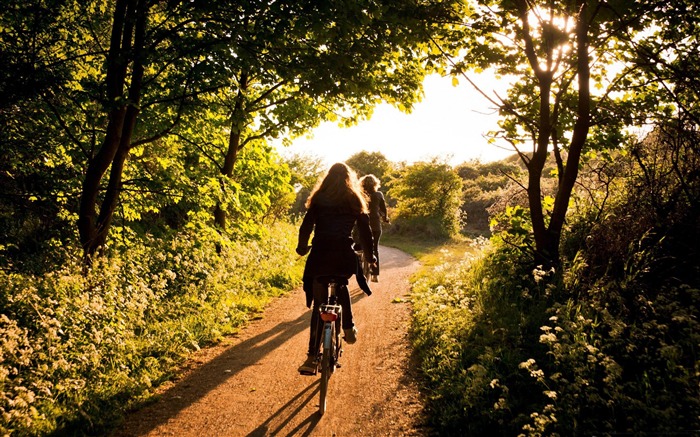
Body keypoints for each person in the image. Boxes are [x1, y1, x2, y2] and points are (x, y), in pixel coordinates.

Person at [295, 162, 376, 375]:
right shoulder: (354, 199)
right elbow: (365, 232)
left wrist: (302, 248)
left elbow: (306, 226)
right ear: (349, 179)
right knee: (341, 282)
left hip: (320, 254)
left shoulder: (319, 199)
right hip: (343, 254)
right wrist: (370, 256)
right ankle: (348, 327)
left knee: (319, 304)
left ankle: (312, 357)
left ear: (328, 178)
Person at [359, 174, 389, 282]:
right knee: (374, 248)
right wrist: (385, 218)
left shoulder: (359, 195)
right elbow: (384, 209)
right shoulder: (378, 195)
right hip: (375, 226)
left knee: (358, 246)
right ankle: (375, 275)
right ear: (375, 184)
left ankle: (358, 265)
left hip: (361, 227)